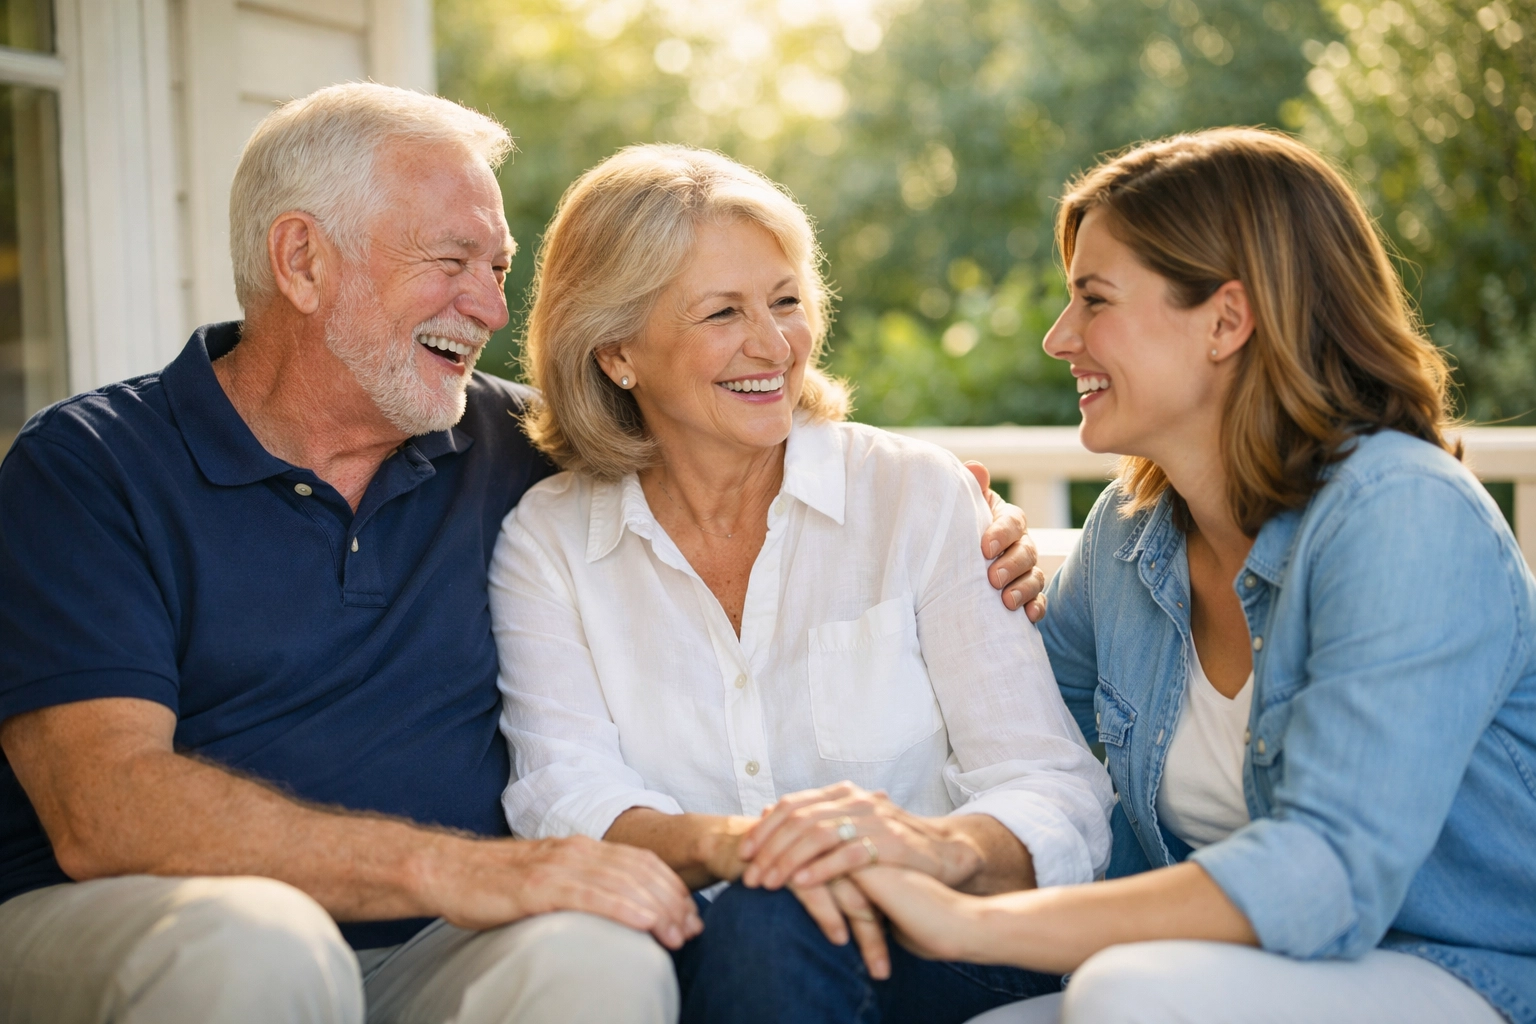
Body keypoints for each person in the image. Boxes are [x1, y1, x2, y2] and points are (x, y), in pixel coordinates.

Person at [0, 85, 1046, 1022]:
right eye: (451, 263)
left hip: (433, 944)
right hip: (142, 925)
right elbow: (106, 810)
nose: (492, 310)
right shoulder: (88, 467)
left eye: (498, 269)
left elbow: (698, 414)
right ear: (303, 259)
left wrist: (968, 519)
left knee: (600, 955)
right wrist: (455, 869)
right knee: (257, 950)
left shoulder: (513, 447)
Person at [847, 128, 1536, 1024]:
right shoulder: (1131, 539)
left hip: (1463, 967)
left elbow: (1327, 873)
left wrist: (971, 924)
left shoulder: (1404, 516)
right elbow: (1000, 739)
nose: (1061, 339)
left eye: (1094, 301)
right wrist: (954, 575)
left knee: (1128, 996)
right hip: (1203, 975)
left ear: (1226, 319)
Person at [486, 143, 1115, 1024]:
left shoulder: (916, 495)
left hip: (939, 946)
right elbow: (566, 796)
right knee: (761, 920)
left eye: (787, 301)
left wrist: (921, 852)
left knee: (774, 919)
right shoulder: (548, 541)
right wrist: (748, 849)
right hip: (693, 952)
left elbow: (1053, 788)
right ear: (616, 349)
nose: (772, 343)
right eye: (722, 313)